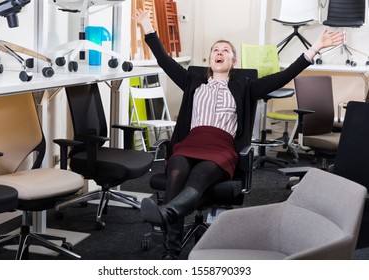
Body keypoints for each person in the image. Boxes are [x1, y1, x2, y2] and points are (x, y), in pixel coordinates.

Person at [133, 8, 344, 260]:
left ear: (233, 62)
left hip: (221, 147)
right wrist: (147, 26)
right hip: (191, 142)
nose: (219, 53)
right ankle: (171, 249)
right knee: (176, 170)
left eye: (225, 51)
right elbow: (163, 59)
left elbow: (283, 76)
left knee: (199, 176)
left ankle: (166, 217)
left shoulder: (245, 86)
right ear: (209, 59)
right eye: (215, 50)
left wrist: (314, 49)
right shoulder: (192, 81)